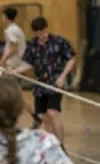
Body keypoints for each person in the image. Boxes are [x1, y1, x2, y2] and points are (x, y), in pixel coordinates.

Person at [6, 16, 77, 150]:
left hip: (55, 84)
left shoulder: (59, 42)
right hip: (40, 85)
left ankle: (61, 147)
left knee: (52, 112)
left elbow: (72, 58)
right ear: (35, 33)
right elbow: (29, 64)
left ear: (47, 28)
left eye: (44, 31)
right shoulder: (32, 45)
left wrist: (63, 77)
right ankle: (50, 147)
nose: (42, 35)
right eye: (39, 33)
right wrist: (15, 71)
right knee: (45, 116)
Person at [0, 6, 42, 129]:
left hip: (13, 66)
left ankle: (33, 115)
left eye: (3, 16)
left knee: (13, 94)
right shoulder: (15, 29)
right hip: (17, 65)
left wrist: (3, 59)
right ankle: (34, 115)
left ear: (5, 17)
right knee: (12, 94)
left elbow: (14, 48)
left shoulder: (11, 30)